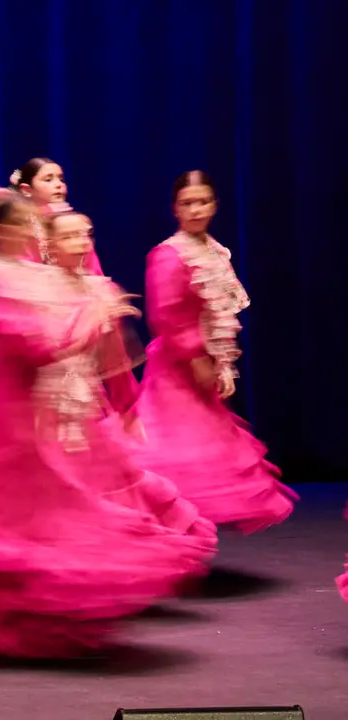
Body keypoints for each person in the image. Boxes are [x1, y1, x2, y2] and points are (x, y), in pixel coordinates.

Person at [0, 192, 213, 658]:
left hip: (53, 405)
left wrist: (93, 309)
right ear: (0, 230)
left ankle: (39, 610)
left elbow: (72, 335)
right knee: (6, 504)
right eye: (24, 224)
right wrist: (94, 315)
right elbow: (39, 344)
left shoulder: (33, 272)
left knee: (57, 504)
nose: (33, 232)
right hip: (12, 408)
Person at [133, 170, 294, 532]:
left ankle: (183, 531)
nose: (195, 209)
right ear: (174, 208)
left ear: (214, 204)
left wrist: (220, 363)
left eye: (202, 201)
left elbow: (218, 314)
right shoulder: (169, 254)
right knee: (174, 447)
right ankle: (161, 525)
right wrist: (196, 358)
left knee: (201, 449)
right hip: (176, 367)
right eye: (187, 203)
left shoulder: (214, 250)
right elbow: (166, 316)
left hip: (203, 361)